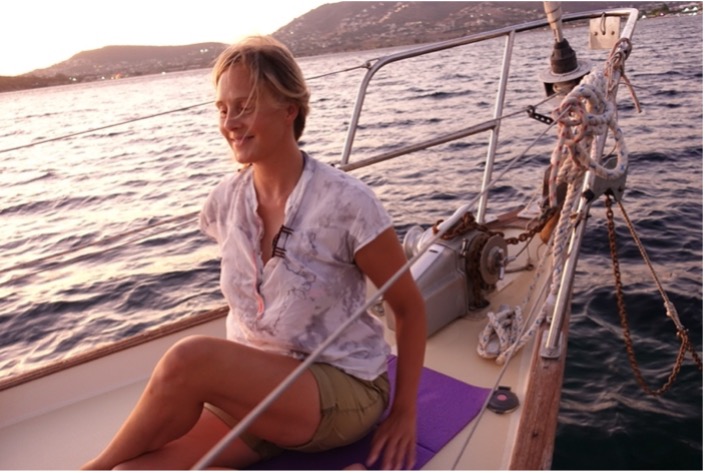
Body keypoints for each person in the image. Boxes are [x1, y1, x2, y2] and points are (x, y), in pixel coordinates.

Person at [82, 35, 426, 470]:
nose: (230, 122)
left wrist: (405, 412)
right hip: (259, 390)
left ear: (289, 109)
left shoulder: (347, 204)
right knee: (135, 470)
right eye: (223, 109)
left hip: (341, 386)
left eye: (244, 106)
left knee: (189, 359)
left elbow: (409, 308)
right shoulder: (225, 201)